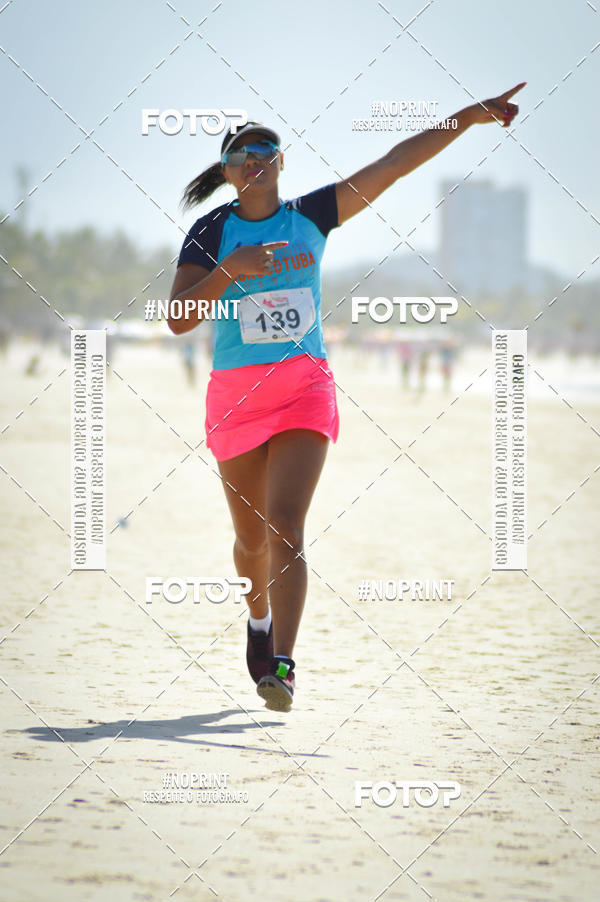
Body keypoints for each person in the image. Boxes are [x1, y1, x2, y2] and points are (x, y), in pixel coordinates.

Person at [168, 84, 525, 712]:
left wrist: (468, 118)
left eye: (267, 149)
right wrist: (230, 270)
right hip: (236, 400)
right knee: (250, 543)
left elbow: (394, 163)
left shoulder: (311, 216)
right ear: (227, 171)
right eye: (243, 153)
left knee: (285, 526)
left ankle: (282, 664)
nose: (256, 159)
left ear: (281, 162)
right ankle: (257, 621)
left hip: (304, 390)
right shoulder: (210, 232)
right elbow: (177, 318)